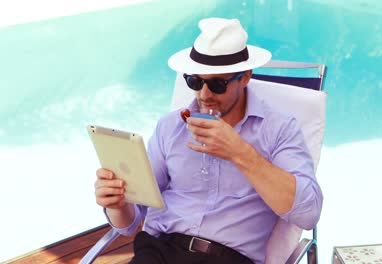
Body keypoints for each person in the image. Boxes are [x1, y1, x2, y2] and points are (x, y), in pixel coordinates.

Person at [94, 17, 323, 264]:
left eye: (217, 84)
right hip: (159, 251)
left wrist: (239, 152)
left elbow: (308, 213)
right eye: (195, 81)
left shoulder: (278, 129)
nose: (204, 94)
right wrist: (117, 204)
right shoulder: (170, 127)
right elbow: (130, 223)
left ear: (245, 77)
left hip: (227, 258)